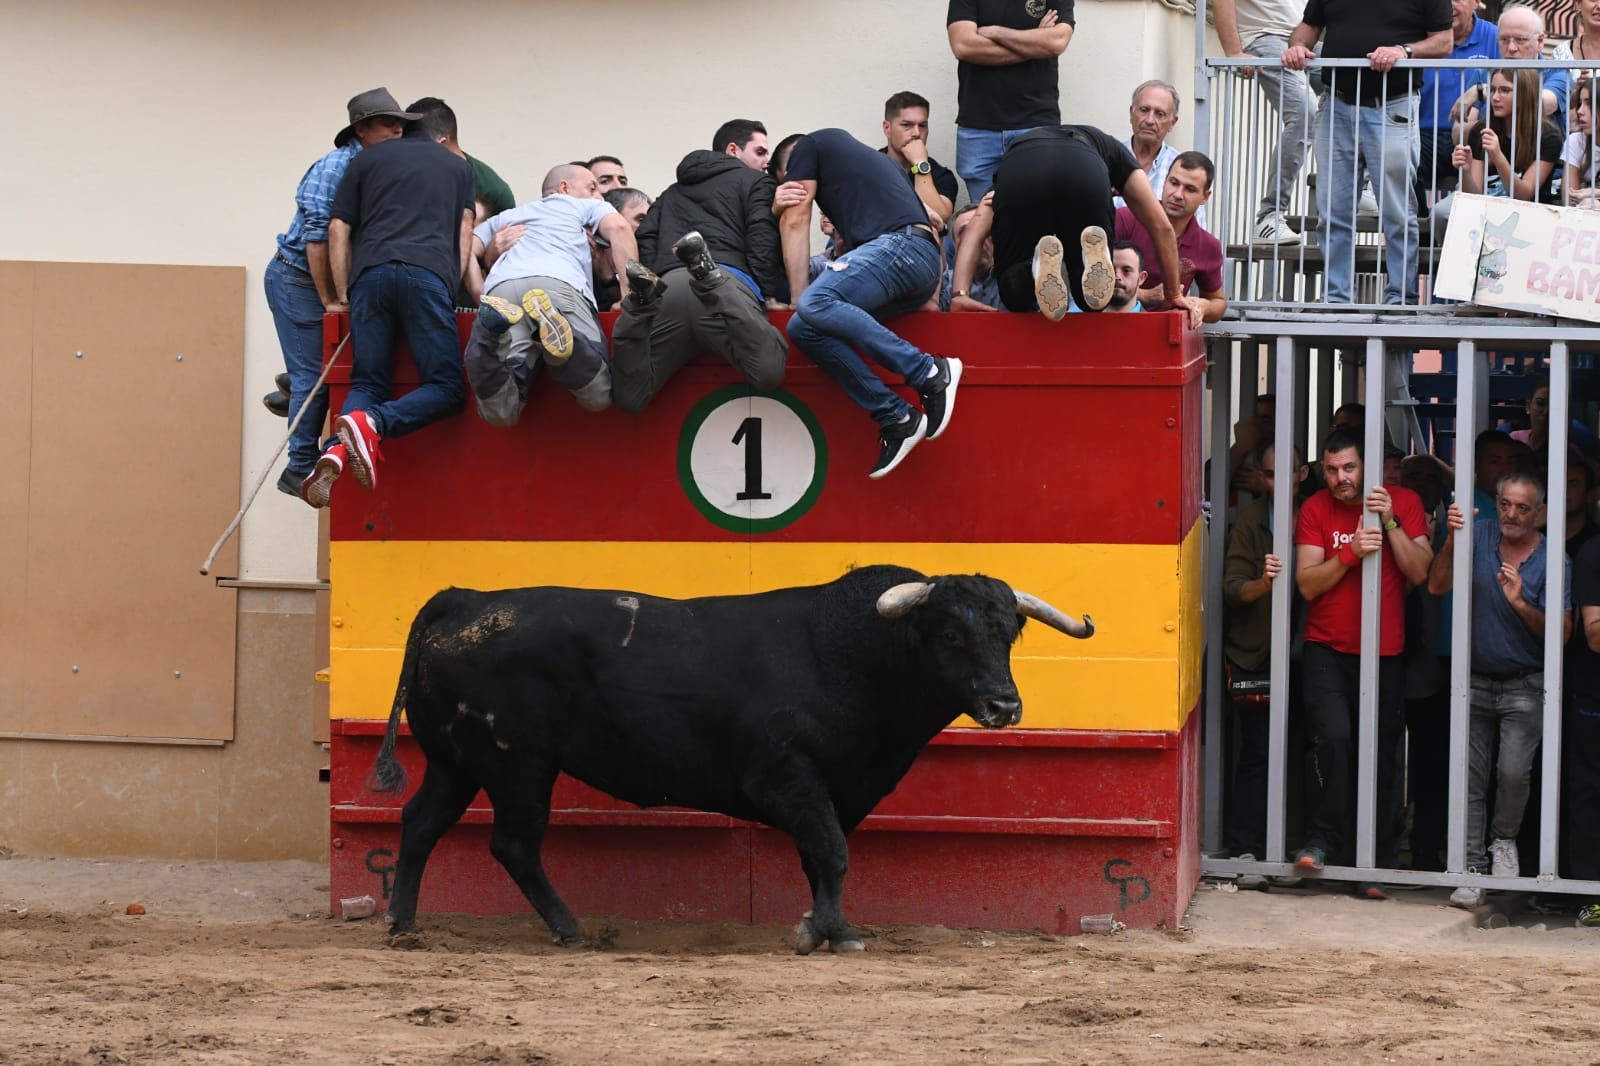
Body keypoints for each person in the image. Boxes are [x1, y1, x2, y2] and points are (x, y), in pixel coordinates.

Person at [303, 100, 474, 507]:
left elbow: (338, 226)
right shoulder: (458, 167)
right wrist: (452, 285)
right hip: (427, 275)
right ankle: (374, 422)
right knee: (447, 388)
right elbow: (465, 230)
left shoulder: (367, 160)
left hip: (370, 277)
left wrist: (342, 293)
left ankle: (333, 451)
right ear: (442, 134)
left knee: (366, 382)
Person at [1293, 427, 1433, 897]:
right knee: (1334, 740)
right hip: (1326, 647)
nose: (1340, 479)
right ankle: (1322, 839)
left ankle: (1372, 861)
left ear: (1367, 467)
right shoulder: (1315, 508)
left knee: (1381, 754)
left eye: (1349, 468)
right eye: (1331, 470)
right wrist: (1350, 552)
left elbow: (1420, 572)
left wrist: (1390, 524)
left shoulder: (1405, 501)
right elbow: (1307, 584)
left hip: (1385, 652)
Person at [773, 129, 961, 479]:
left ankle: (929, 372)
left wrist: (799, 297)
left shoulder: (811, 145)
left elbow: (795, 219)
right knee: (804, 329)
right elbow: (935, 222)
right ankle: (897, 417)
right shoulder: (872, 170)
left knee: (813, 304)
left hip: (901, 249)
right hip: (916, 265)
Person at [1428, 474, 1571, 906]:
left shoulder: (1554, 558)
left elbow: (1561, 635)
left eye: (1522, 508)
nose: (1511, 514)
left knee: (1512, 774)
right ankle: (1470, 867)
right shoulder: (1479, 534)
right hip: (1472, 677)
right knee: (1468, 779)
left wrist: (1520, 602)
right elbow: (1436, 586)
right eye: (1505, 504)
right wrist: (1453, 540)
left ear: (1540, 513)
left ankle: (1503, 843)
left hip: (1525, 683)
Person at [268, 88, 408, 500]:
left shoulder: (376, 166)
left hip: (324, 281)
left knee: (323, 371)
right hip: (298, 279)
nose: (398, 128)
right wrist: (332, 298)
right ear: (361, 129)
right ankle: (296, 469)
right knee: (318, 375)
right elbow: (317, 239)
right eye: (388, 122)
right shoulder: (336, 167)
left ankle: (292, 385)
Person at [611, 120, 788, 414]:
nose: (765, 162)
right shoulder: (758, 183)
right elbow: (762, 238)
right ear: (733, 150)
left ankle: (639, 307)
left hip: (668, 290)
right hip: (728, 286)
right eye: (759, 152)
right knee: (769, 371)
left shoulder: (671, 192)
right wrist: (768, 293)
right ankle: (709, 278)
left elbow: (646, 237)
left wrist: (660, 273)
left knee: (630, 397)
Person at [1283, 0, 1453, 305]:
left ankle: (1400, 298)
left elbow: (1444, 41)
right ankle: (1336, 299)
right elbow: (1307, 29)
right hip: (1336, 104)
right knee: (1332, 211)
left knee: (1398, 212)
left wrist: (1405, 51)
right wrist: (1296, 47)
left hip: (1393, 105)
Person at [947, 124, 1202, 325]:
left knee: (1014, 294)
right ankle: (1089, 257)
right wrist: (1174, 295)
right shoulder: (1114, 152)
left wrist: (959, 294)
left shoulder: (1017, 160)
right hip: (1086, 170)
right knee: (1093, 302)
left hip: (1024, 168)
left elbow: (977, 227)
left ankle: (1034, 270)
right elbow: (1161, 226)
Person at [462, 164, 633, 428]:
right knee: (597, 395)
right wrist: (628, 293)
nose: (599, 196)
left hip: (502, 290)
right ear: (565, 188)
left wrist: (479, 291)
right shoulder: (581, 207)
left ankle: (489, 334)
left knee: (500, 413)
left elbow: (464, 248)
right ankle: (555, 336)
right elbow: (620, 230)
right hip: (557, 283)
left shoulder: (508, 216)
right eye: (592, 188)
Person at [1223, 442, 1308, 864]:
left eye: (1285, 473)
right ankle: (1246, 847)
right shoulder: (1251, 519)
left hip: (1314, 652)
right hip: (1258, 654)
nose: (1277, 483)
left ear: (1302, 474)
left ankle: (1298, 842)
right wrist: (1264, 583)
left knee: (1309, 748)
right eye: (1269, 475)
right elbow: (1232, 587)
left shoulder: (1316, 513)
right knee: (1258, 751)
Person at [945, 0, 1075, 203]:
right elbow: (963, 45)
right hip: (979, 128)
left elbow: (1056, 42)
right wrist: (1034, 45)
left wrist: (996, 32)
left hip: (1036, 124)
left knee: (1035, 216)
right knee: (982, 217)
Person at [1212, 0, 1317, 244]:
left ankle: (1362, 186)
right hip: (1265, 36)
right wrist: (1234, 51)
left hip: (1304, 38)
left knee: (1357, 78)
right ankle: (1269, 215)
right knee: (1305, 112)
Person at [1434, 68, 1565, 227]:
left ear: (1525, 94)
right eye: (1493, 90)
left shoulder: (1549, 136)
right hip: (1485, 204)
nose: (1495, 97)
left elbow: (1524, 194)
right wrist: (1466, 171)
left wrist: (1498, 157)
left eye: (1505, 90)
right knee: (1440, 213)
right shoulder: (1482, 129)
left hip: (1527, 212)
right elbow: (1473, 195)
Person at [1114, 150, 1228, 322]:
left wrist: (1202, 305)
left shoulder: (1208, 245)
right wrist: (1145, 295)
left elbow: (1218, 303)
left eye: (1190, 189)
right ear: (1165, 180)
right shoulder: (1126, 218)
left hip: (1169, 338)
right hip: (1112, 327)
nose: (1177, 194)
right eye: (1174, 183)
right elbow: (1090, 281)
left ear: (1205, 196)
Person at [1415, 0, 1499, 219]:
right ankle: (1421, 232)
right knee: (1401, 162)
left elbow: (1528, 82)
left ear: (1476, 3)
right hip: (1423, 135)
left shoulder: (1497, 37)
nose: (1447, 5)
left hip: (1476, 136)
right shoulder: (1418, 38)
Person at [1113, 82, 1207, 230]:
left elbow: (1196, 234)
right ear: (1131, 113)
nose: (1150, 120)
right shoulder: (1107, 159)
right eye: (1144, 110)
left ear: (1172, 123)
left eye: (1160, 114)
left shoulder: (1181, 171)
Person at [405, 96, 516, 221]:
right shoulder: (404, 177)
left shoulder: (492, 189)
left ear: (441, 142)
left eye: (419, 146)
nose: (411, 153)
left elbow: (509, 235)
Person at [1565, 533, 1600, 925]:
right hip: (1594, 698)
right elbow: (1594, 634)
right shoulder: (1594, 552)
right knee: (1589, 796)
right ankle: (1593, 897)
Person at [880, 91, 959, 226]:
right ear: (887, 128)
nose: (916, 133)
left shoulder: (942, 175)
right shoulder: (868, 165)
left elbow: (938, 219)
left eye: (922, 125)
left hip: (922, 240)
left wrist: (920, 164)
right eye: (906, 125)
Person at [937, 204, 1002, 310]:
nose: (975, 240)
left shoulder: (1018, 277)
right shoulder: (947, 285)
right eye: (964, 232)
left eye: (982, 231)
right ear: (956, 246)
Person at [1563, 79, 1599, 207]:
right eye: (1580, 103)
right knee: (1587, 204)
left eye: (1589, 104)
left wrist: (1595, 193)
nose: (1579, 111)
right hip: (1583, 221)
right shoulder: (1576, 141)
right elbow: (1569, 201)